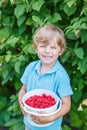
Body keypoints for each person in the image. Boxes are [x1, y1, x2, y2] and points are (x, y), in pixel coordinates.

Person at [18, 25, 73, 130]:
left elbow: (66, 105)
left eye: (53, 47)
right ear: (35, 48)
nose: (47, 51)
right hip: (29, 124)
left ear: (60, 51)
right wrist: (21, 102)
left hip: (50, 127)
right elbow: (23, 89)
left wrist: (50, 118)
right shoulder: (30, 68)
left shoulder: (61, 76)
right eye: (43, 46)